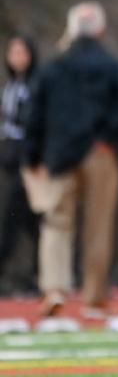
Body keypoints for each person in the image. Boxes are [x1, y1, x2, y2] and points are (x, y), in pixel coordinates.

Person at [25, 2, 118, 320]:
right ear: (101, 30)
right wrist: (108, 136)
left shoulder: (53, 66)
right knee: (97, 226)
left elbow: (34, 113)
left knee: (56, 222)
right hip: (98, 152)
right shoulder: (112, 65)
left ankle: (54, 289)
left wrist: (33, 155)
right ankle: (94, 297)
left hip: (59, 153)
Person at [0, 35, 40, 294]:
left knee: (14, 218)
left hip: (28, 160)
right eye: (13, 51)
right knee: (31, 221)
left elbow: (32, 123)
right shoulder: (10, 86)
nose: (17, 57)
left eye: (22, 51)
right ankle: (44, 272)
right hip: (10, 159)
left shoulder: (34, 86)